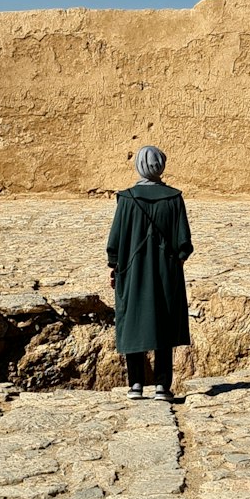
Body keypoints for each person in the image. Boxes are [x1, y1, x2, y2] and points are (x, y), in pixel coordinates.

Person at [106, 145, 193, 400]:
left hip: (132, 271)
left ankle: (135, 384)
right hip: (167, 271)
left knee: (133, 320)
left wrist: (114, 266)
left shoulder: (127, 199)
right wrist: (177, 261)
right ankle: (162, 386)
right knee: (164, 322)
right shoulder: (174, 198)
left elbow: (115, 240)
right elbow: (184, 242)